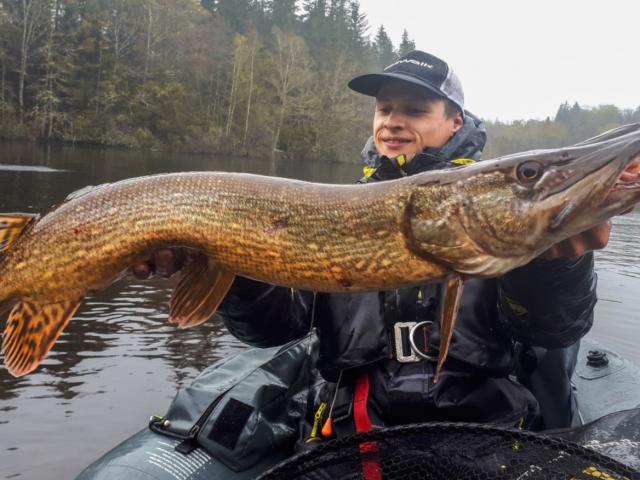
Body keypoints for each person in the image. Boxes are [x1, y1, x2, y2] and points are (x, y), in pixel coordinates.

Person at [133, 50, 616, 437]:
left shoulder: (496, 208)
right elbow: (275, 330)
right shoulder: (335, 209)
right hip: (355, 428)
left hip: (482, 426)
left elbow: (553, 331)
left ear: (455, 123)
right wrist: (229, 264)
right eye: (384, 108)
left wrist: (560, 267)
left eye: (415, 110)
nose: (393, 121)